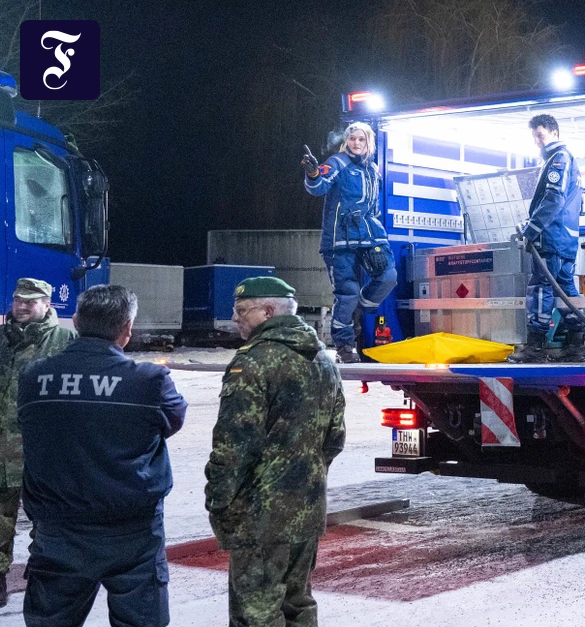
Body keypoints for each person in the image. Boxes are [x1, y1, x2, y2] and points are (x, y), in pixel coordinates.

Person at [18, 284, 187, 626]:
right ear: (127, 329)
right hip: (132, 533)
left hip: (58, 529)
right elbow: (172, 420)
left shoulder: (33, 376)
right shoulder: (148, 380)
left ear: (77, 321)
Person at [205, 276, 346, 626]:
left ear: (268, 311)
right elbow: (335, 437)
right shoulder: (323, 360)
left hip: (259, 516)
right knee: (298, 603)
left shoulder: (252, 362)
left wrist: (218, 499)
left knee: (256, 612)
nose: (235, 319)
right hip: (307, 507)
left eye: (241, 311)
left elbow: (234, 443)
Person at [0, 278, 75, 607]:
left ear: (48, 304)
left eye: (31, 301)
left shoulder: (65, 340)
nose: (22, 306)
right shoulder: (3, 339)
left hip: (44, 453)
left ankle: (46, 584)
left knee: (46, 524)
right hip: (3, 452)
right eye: (18, 299)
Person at [302, 122, 397, 363]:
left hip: (367, 236)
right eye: (352, 139)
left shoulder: (374, 170)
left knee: (388, 277)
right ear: (346, 141)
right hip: (339, 240)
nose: (356, 143)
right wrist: (313, 173)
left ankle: (359, 309)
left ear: (369, 143)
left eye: (361, 139)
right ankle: (344, 345)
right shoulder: (338, 162)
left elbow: (374, 207)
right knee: (348, 293)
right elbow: (318, 186)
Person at [508, 114, 585, 363]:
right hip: (566, 239)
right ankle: (576, 344)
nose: (537, 141)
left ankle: (536, 348)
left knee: (541, 289)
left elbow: (553, 199)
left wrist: (531, 230)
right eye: (534, 137)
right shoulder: (566, 160)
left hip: (551, 239)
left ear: (554, 132)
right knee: (567, 291)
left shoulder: (558, 159)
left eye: (539, 135)